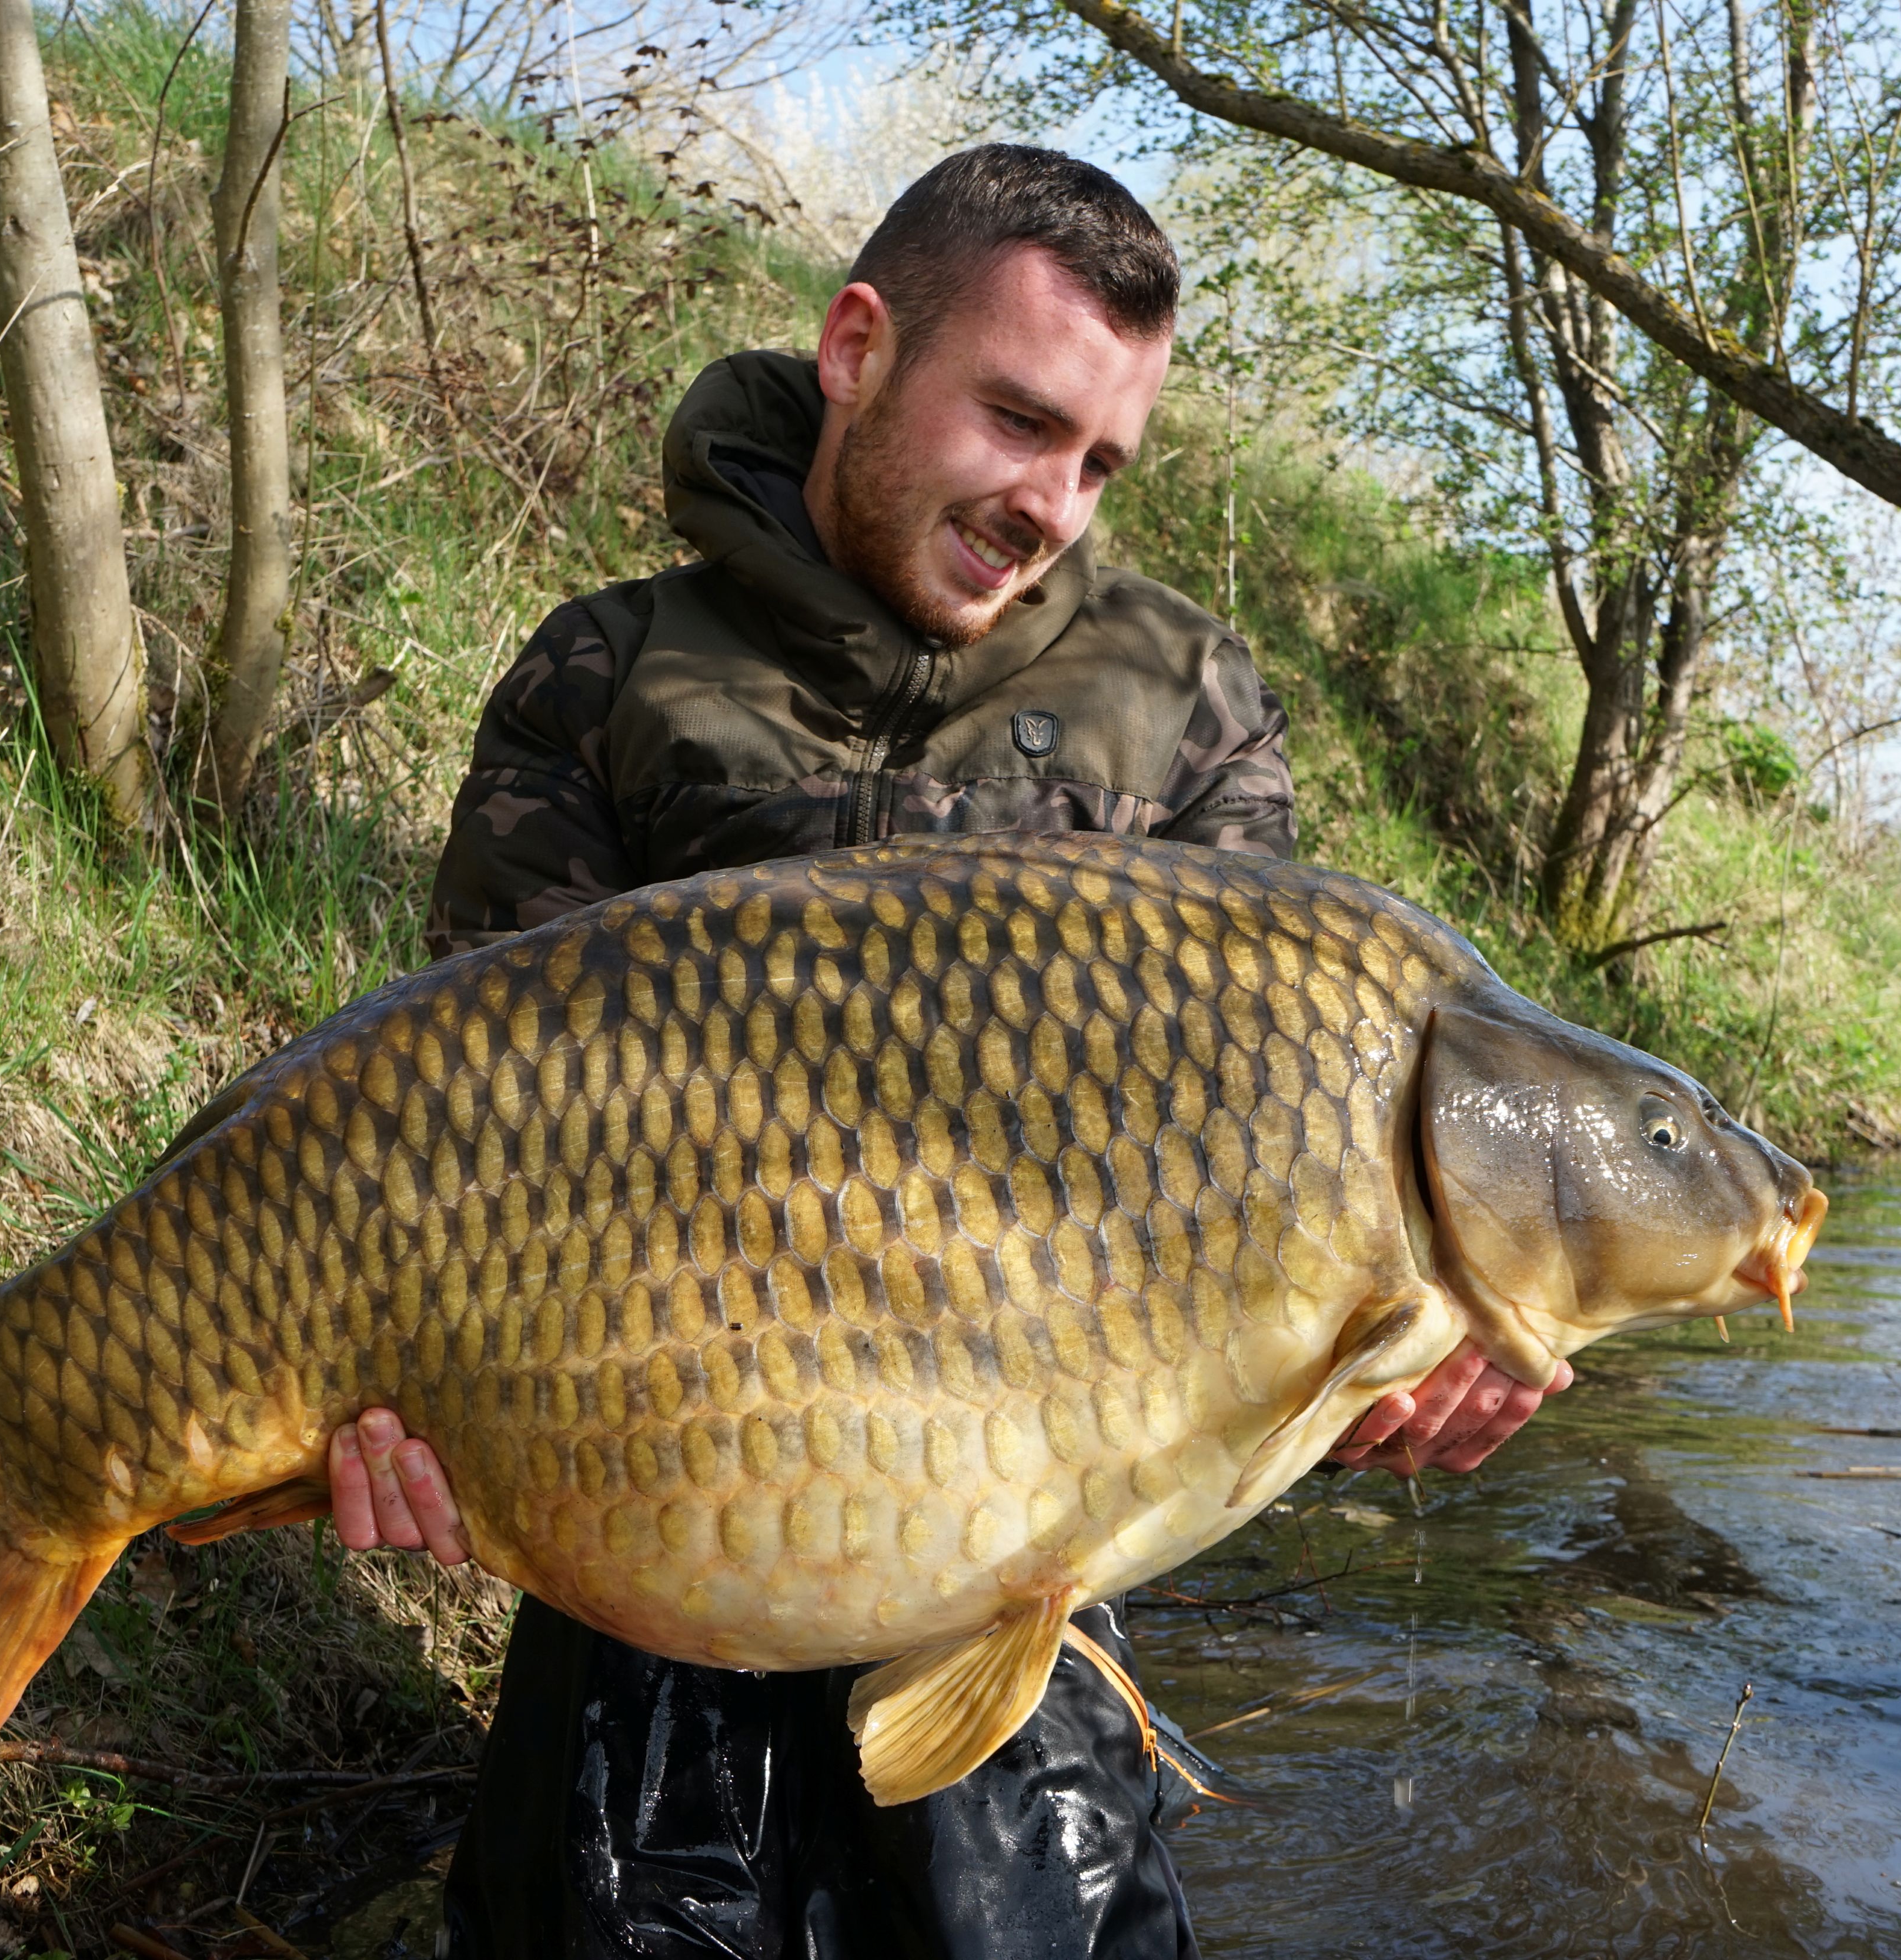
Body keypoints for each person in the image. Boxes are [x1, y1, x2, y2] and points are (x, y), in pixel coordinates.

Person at [310, 146, 1569, 1958]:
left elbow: (1270, 1203)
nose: (1053, 504)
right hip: (661, 1498)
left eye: (1101, 464)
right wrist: (424, 1417)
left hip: (1027, 1522)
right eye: (1019, 422)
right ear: (856, 350)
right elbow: (468, 1141)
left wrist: (1393, 1359)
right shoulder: (612, 677)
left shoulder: (1185, 708)